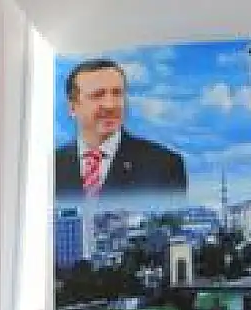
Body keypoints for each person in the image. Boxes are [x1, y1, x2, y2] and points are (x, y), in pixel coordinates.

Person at [55, 58, 187, 202]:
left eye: (117, 93)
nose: (110, 105)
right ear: (72, 107)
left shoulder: (164, 165)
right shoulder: (50, 166)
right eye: (98, 95)